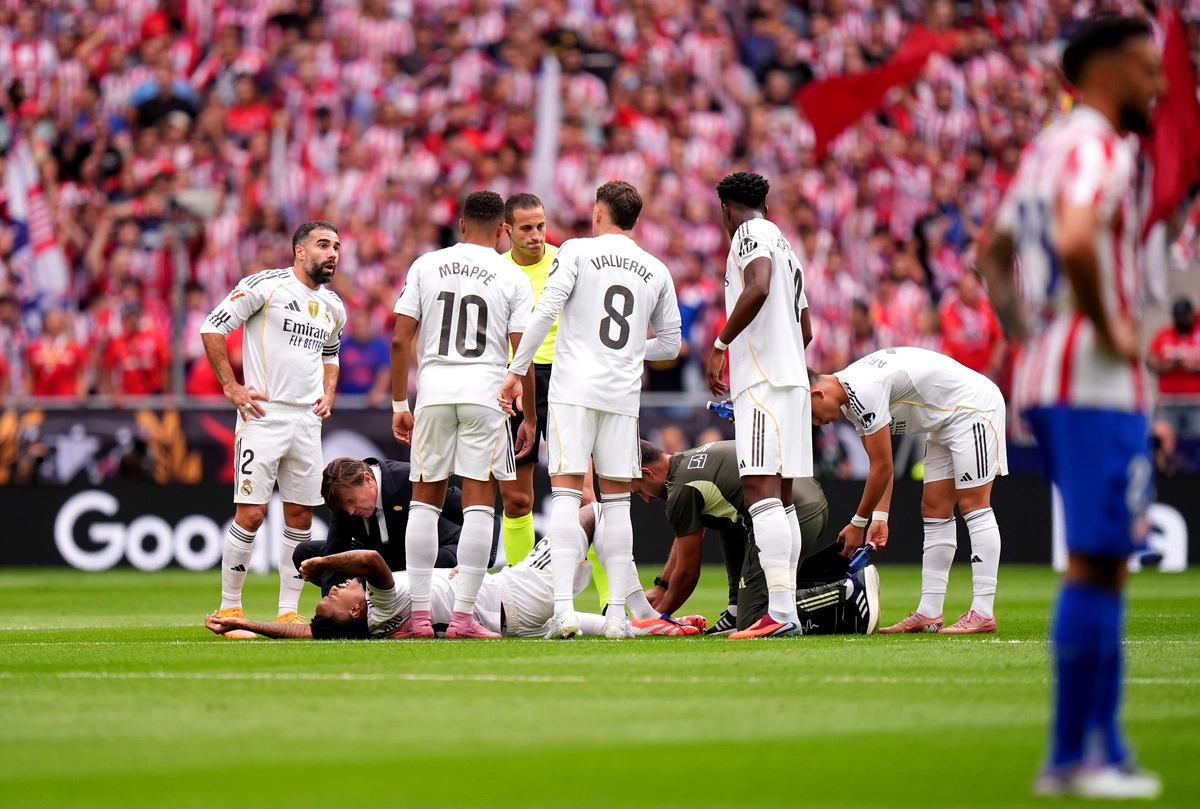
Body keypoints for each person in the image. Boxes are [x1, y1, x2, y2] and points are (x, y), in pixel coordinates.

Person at [977, 16, 1163, 798]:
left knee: (1106, 560)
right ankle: (1075, 754)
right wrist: (1109, 326)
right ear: (1108, 68)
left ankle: (1100, 746)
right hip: (1093, 379)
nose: (1158, 84)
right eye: (1149, 69)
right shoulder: (1097, 146)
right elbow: (1080, 237)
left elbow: (993, 250)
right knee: (1097, 561)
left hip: (1054, 372)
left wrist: (1028, 334)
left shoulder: (1046, 147)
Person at [498, 181, 682, 640]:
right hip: (621, 396)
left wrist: (515, 369)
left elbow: (544, 314)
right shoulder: (656, 269)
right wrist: (627, 353)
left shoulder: (577, 252)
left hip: (572, 390)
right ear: (634, 219)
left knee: (563, 496)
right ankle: (617, 616)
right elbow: (673, 344)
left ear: (599, 213)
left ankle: (562, 610)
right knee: (615, 504)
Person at [204, 507, 703, 640]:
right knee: (590, 513)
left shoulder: (361, 624)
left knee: (617, 632)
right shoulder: (385, 601)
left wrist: (243, 622)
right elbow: (373, 562)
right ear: (356, 608)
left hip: (514, 617)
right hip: (516, 594)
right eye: (335, 595)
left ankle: (666, 623)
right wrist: (327, 561)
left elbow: (305, 631)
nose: (335, 589)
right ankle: (649, 601)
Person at [390, 190, 536, 640]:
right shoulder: (511, 275)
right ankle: (463, 619)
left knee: (424, 503)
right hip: (486, 395)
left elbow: (400, 342)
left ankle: (416, 618)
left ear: (460, 225)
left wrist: (400, 404)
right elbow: (521, 349)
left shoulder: (425, 265)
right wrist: (527, 414)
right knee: (478, 503)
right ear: (503, 231)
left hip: (433, 393)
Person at [200, 220, 346, 636]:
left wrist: (329, 392)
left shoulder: (334, 306)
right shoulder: (267, 286)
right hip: (264, 416)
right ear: (300, 251)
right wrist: (231, 385)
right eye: (322, 245)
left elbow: (331, 353)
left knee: (300, 515)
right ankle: (230, 608)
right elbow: (212, 326)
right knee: (251, 513)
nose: (332, 253)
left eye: (336, 246)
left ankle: (287, 610)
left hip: (306, 421)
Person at [809, 347, 1007, 634]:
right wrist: (880, 515)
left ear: (817, 395)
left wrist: (858, 523)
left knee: (973, 504)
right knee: (935, 508)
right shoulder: (852, 399)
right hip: (944, 421)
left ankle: (983, 612)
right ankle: (929, 612)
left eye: (813, 416)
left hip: (972, 408)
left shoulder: (863, 388)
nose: (818, 423)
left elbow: (882, 467)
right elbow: (882, 462)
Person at [705, 171, 813, 639]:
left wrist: (720, 344)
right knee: (782, 499)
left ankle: (782, 614)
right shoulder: (788, 247)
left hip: (764, 384)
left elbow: (758, 285)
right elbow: (805, 329)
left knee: (759, 493)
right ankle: (785, 609)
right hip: (793, 382)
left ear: (727, 208)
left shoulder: (749, 233)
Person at [633, 439, 880, 636]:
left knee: (755, 619)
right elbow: (686, 533)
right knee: (723, 518)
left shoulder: (680, 489)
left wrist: (660, 617)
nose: (645, 499)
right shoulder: (689, 461)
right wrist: (661, 585)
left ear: (646, 473)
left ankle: (846, 591)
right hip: (804, 498)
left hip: (793, 511)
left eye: (638, 490)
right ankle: (735, 609)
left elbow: (688, 572)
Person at [292, 456, 503, 595]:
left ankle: (396, 602)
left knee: (426, 564)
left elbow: (485, 515)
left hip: (440, 553)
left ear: (368, 479)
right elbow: (333, 553)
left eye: (352, 502)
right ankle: (362, 606)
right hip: (388, 564)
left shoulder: (411, 479)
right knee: (307, 555)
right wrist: (333, 606)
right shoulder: (343, 501)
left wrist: (478, 561)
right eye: (345, 508)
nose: (350, 512)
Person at [1147, 298, 1200, 435]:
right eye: (1178, 318)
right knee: (1165, 443)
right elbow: (1150, 361)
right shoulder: (1163, 335)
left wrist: (1192, 367)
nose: (1181, 321)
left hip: (1196, 403)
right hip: (1168, 403)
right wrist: (1168, 366)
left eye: (1184, 317)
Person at [337, 309, 391, 407]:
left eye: (363, 326)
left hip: (372, 404)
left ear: (369, 325)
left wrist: (378, 391)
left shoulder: (380, 346)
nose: (360, 329)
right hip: (344, 403)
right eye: (357, 326)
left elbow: (385, 371)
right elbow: (334, 370)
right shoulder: (343, 346)